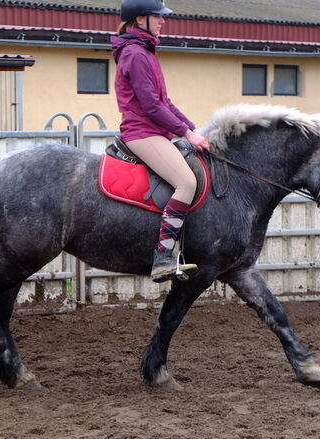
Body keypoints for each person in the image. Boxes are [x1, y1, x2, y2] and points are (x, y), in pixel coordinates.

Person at [111, 0, 211, 283]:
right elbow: (152, 106)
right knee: (187, 182)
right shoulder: (136, 54)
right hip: (142, 133)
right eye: (158, 17)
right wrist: (186, 133)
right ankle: (163, 257)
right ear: (140, 19)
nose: (163, 21)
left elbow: (165, 101)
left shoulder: (146, 51)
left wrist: (192, 128)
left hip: (155, 131)